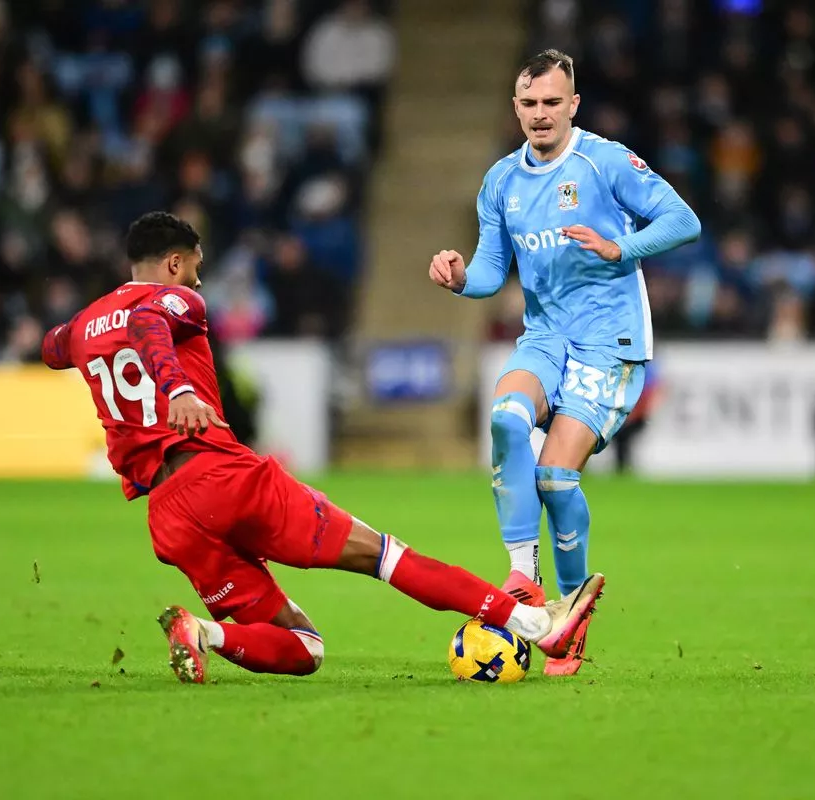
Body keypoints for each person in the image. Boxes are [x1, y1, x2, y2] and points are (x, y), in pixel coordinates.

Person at [41, 211, 602, 684]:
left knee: (304, 648)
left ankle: (204, 633)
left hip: (168, 518)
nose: (197, 282)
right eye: (194, 268)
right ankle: (537, 627)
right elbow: (146, 322)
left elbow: (52, 347)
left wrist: (81, 328)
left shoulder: (89, 322)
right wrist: (181, 390)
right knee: (386, 556)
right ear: (172, 264)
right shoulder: (176, 302)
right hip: (220, 478)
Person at [428, 50, 700, 675]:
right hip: (545, 335)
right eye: (530, 104)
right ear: (515, 108)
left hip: (610, 344)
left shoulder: (604, 162)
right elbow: (495, 271)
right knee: (503, 418)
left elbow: (683, 220)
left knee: (554, 478)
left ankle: (571, 615)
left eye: (553, 102)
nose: (541, 114)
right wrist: (461, 276)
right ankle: (523, 575)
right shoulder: (501, 181)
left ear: (573, 105)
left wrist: (619, 246)